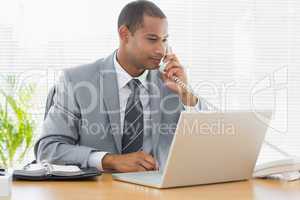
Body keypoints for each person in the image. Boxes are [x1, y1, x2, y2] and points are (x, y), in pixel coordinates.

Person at [34, 0, 205, 173]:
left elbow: (214, 141)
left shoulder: (171, 84)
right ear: (124, 34)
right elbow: (48, 149)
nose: (161, 50)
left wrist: (188, 96)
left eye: (164, 40)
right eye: (152, 39)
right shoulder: (77, 81)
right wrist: (109, 160)